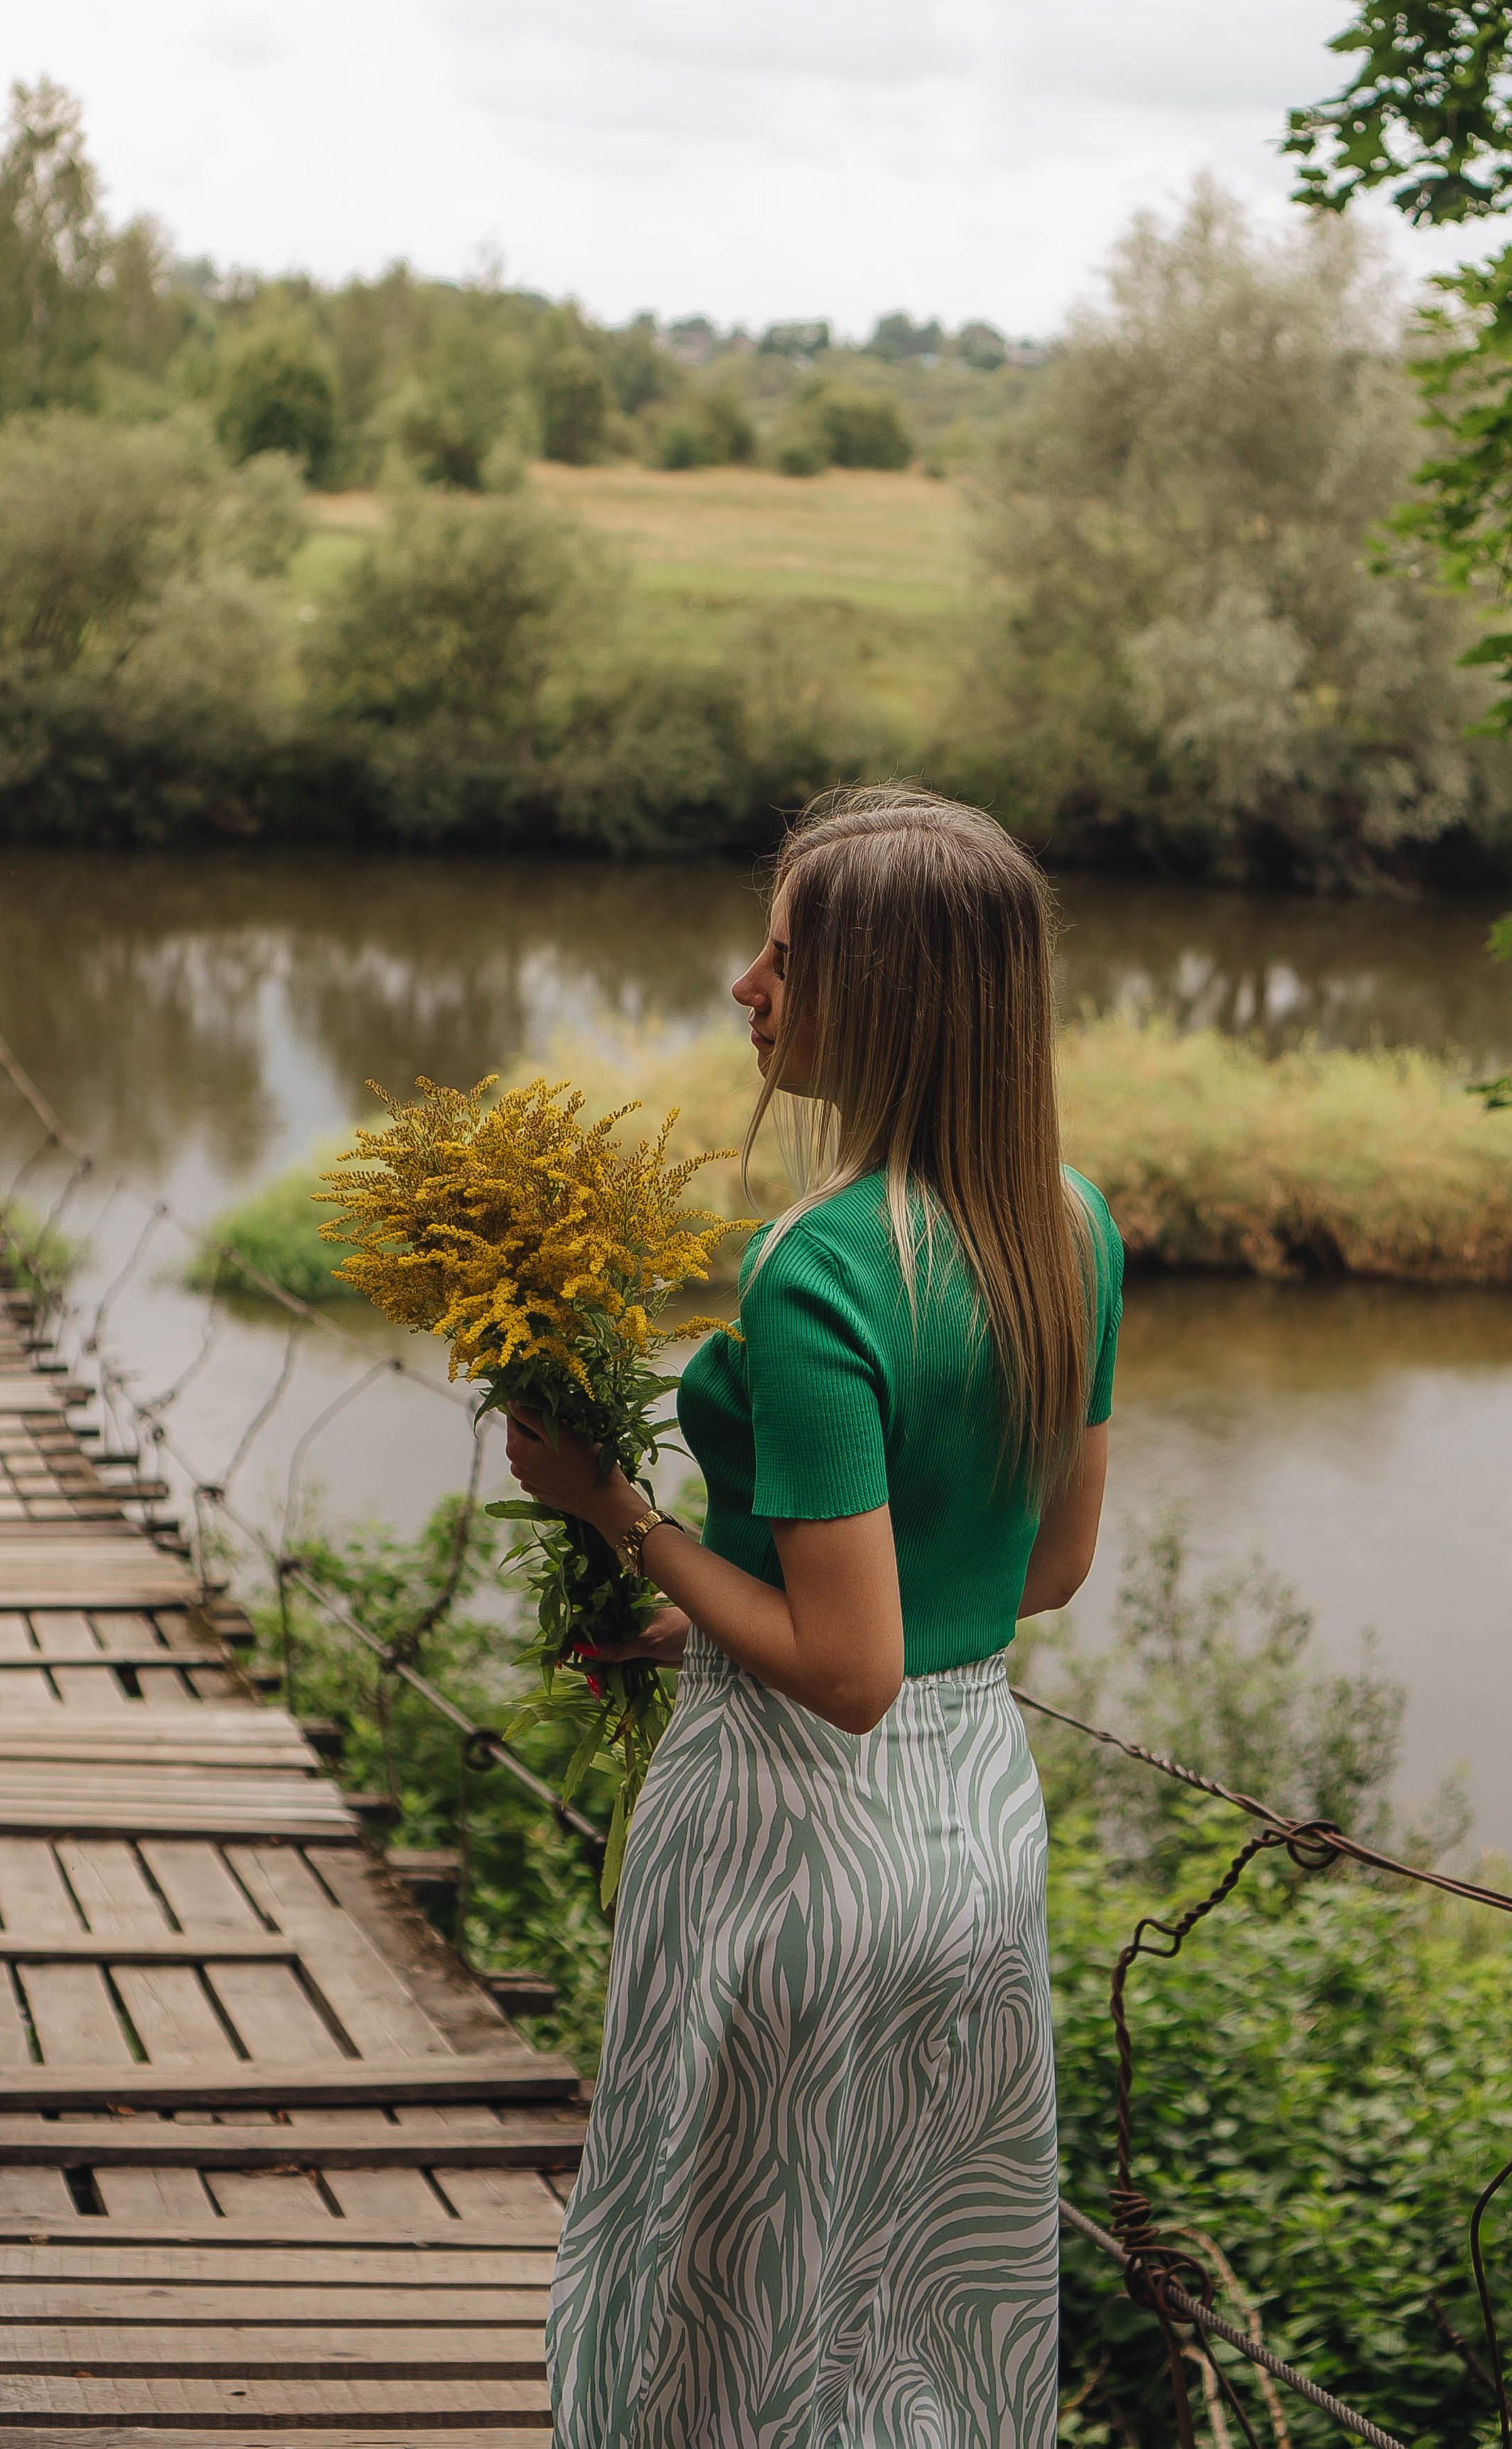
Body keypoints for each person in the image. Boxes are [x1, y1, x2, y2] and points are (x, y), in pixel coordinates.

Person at [506, 785, 1123, 2448]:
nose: (742, 983)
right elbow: (1032, 1576)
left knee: (710, 2310)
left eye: (783, 954)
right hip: (973, 1846)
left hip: (791, 1849)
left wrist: (613, 1513)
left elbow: (844, 1676)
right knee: (915, 2317)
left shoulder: (821, 1269)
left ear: (894, 993)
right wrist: (716, 1615)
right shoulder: (1069, 1229)